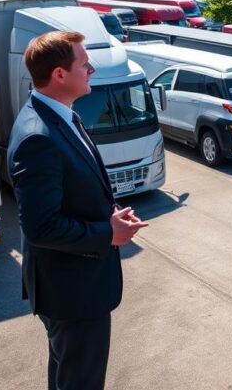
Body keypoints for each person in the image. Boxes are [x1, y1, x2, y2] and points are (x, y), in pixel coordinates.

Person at [8, 31, 148, 390]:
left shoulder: (57, 114)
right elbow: (41, 227)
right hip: (72, 295)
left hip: (73, 290)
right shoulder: (38, 136)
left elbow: (71, 188)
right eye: (83, 63)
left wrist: (109, 212)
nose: (91, 68)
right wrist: (108, 233)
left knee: (68, 376)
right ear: (59, 74)